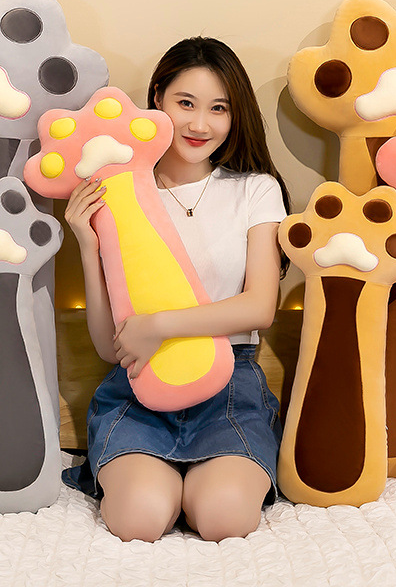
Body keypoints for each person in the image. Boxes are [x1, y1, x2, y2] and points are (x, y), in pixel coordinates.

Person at [62, 37, 290, 542]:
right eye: (185, 103)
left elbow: (260, 308)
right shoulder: (121, 190)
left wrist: (159, 325)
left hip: (229, 383)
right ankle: (161, 482)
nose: (200, 124)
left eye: (218, 109)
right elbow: (109, 346)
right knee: (137, 519)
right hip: (140, 383)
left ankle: (198, 484)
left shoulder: (254, 189)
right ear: (157, 99)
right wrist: (86, 244)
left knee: (224, 518)